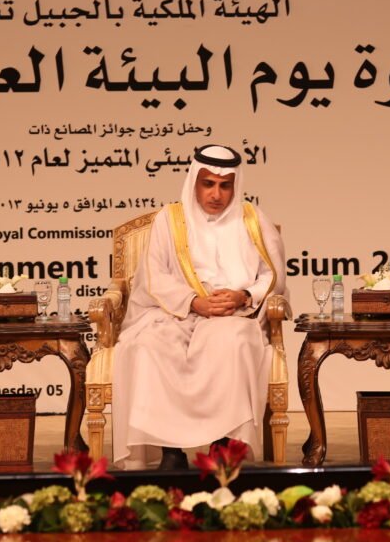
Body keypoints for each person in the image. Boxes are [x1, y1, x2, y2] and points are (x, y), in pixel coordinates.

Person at [111, 144, 287, 470]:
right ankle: (171, 451)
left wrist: (244, 295)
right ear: (194, 181)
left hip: (233, 314)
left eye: (225, 185)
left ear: (235, 185)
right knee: (149, 346)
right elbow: (155, 275)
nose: (216, 194)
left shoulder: (252, 220)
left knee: (233, 343)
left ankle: (223, 443)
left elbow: (272, 276)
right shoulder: (170, 219)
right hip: (176, 311)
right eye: (208, 184)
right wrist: (194, 302)